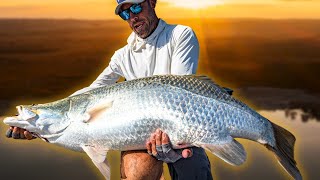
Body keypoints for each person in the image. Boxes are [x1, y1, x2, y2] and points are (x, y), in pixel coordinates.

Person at [6, 0, 213, 179]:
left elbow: (180, 91)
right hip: (140, 131)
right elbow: (92, 92)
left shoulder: (180, 35)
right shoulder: (122, 56)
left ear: (152, 2)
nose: (132, 17)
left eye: (136, 8)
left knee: (192, 165)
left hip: (181, 122)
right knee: (137, 170)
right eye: (125, 13)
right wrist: (41, 124)